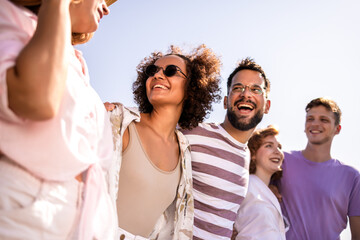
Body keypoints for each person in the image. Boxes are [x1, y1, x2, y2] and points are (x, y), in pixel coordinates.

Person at [0, 0, 116, 239]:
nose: (107, 7)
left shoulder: (74, 59)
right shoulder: (9, 18)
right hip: (26, 214)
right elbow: (38, 100)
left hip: (81, 222)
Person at [105, 45, 222, 240]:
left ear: (192, 86)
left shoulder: (184, 152)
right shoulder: (119, 123)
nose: (158, 75)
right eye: (153, 71)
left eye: (171, 71)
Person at [180, 57, 271, 239]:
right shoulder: (193, 132)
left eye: (255, 89)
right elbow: (150, 126)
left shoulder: (245, 156)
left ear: (267, 106)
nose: (246, 94)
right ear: (225, 101)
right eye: (238, 88)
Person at [278, 97, 360, 240]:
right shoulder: (282, 161)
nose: (315, 124)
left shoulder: (352, 177)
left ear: (337, 129)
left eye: (324, 120)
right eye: (310, 119)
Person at [232, 126, 287, 240]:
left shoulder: (271, 193)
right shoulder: (244, 185)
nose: (277, 151)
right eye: (269, 146)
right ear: (253, 154)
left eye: (279, 147)